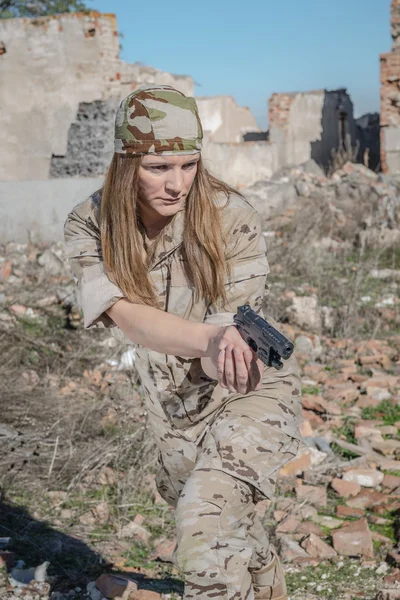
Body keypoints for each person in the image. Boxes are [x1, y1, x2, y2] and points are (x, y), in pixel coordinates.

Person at [64, 84, 302, 600]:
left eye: (189, 165)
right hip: (172, 403)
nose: (178, 184)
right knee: (220, 520)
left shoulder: (230, 216)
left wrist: (223, 341)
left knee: (204, 524)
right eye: (158, 168)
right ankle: (264, 579)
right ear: (126, 164)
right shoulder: (91, 223)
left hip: (247, 391)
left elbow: (230, 342)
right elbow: (127, 317)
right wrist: (212, 339)